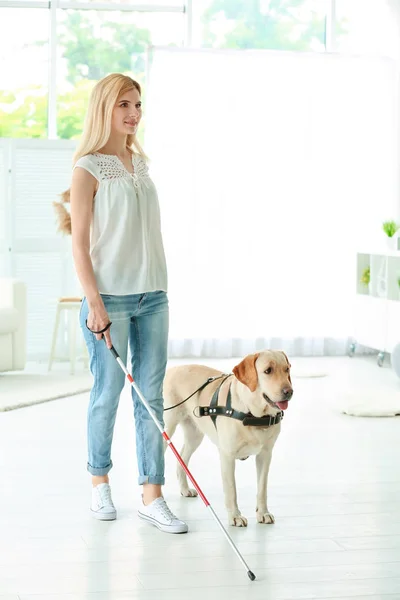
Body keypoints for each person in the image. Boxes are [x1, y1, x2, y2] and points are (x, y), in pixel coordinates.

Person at [57, 72, 188, 534]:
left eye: (138, 105)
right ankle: (99, 483)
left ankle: (153, 495)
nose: (134, 114)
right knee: (107, 394)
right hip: (108, 299)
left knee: (151, 397)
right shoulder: (88, 168)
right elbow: (80, 243)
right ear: (104, 109)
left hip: (154, 296)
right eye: (124, 105)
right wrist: (93, 303)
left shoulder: (140, 164)